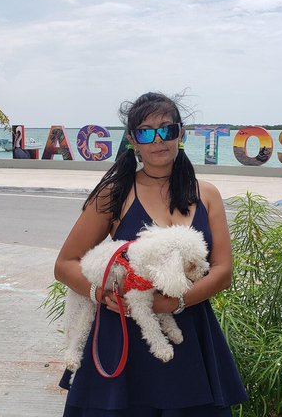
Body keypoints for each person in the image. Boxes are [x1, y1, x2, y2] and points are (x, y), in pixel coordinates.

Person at [54, 92, 248, 416]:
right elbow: (64, 264)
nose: (158, 139)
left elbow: (222, 271)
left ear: (180, 135)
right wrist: (99, 294)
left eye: (167, 130)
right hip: (123, 337)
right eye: (146, 131)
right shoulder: (114, 193)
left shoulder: (207, 195)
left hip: (190, 339)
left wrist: (174, 302)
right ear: (133, 140)